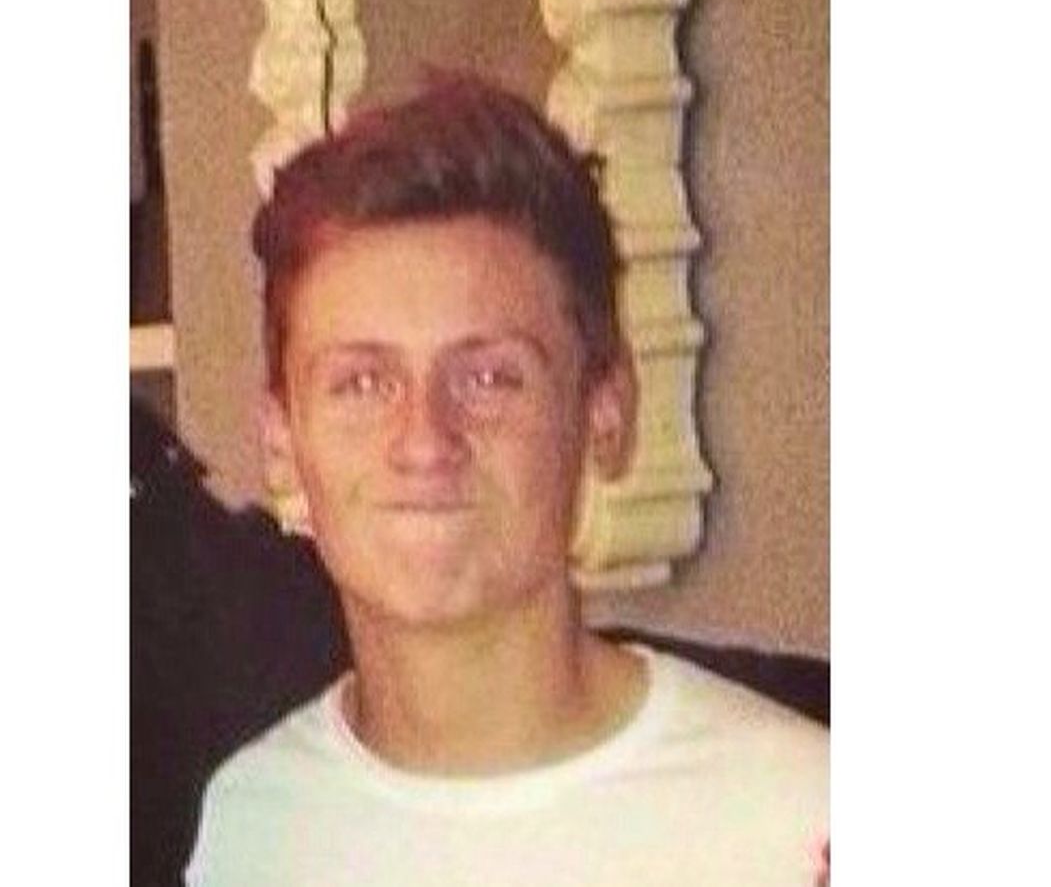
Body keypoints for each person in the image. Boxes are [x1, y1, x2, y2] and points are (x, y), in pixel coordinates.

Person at [185, 76, 828, 886]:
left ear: (604, 411)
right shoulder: (245, 829)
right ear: (283, 437)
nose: (424, 440)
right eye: (362, 382)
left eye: (489, 378)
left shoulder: (798, 820)